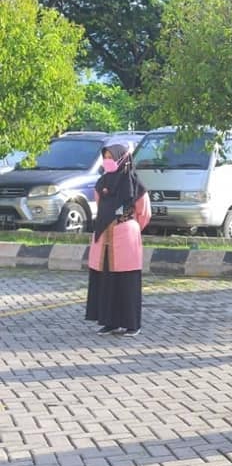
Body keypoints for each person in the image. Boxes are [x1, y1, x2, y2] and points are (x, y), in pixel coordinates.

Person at [85, 143, 151, 336]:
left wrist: (126, 225)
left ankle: (132, 324)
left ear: (122, 159)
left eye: (111, 158)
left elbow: (144, 213)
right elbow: (101, 206)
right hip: (103, 236)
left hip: (125, 238)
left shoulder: (135, 186)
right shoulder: (102, 183)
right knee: (106, 280)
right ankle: (109, 322)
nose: (108, 162)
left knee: (127, 280)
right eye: (105, 158)